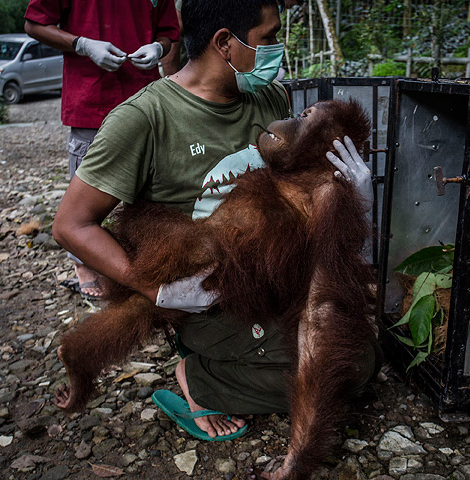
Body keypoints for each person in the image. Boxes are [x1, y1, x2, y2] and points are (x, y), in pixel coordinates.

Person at [52, 0, 375, 439]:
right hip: (203, 290)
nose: (278, 49)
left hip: (264, 272)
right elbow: (71, 226)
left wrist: (352, 195)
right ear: (225, 42)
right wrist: (161, 291)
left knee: (357, 348)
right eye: (269, 37)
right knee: (348, 372)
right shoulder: (144, 118)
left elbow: (297, 191)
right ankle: (201, 380)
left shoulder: (270, 97)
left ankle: (237, 360)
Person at [24, 0, 180, 298]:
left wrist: (159, 48)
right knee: (86, 193)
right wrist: (82, 44)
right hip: (91, 98)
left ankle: (142, 261)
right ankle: (83, 264)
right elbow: (34, 24)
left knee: (152, 188)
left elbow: (168, 32)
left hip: (145, 97)